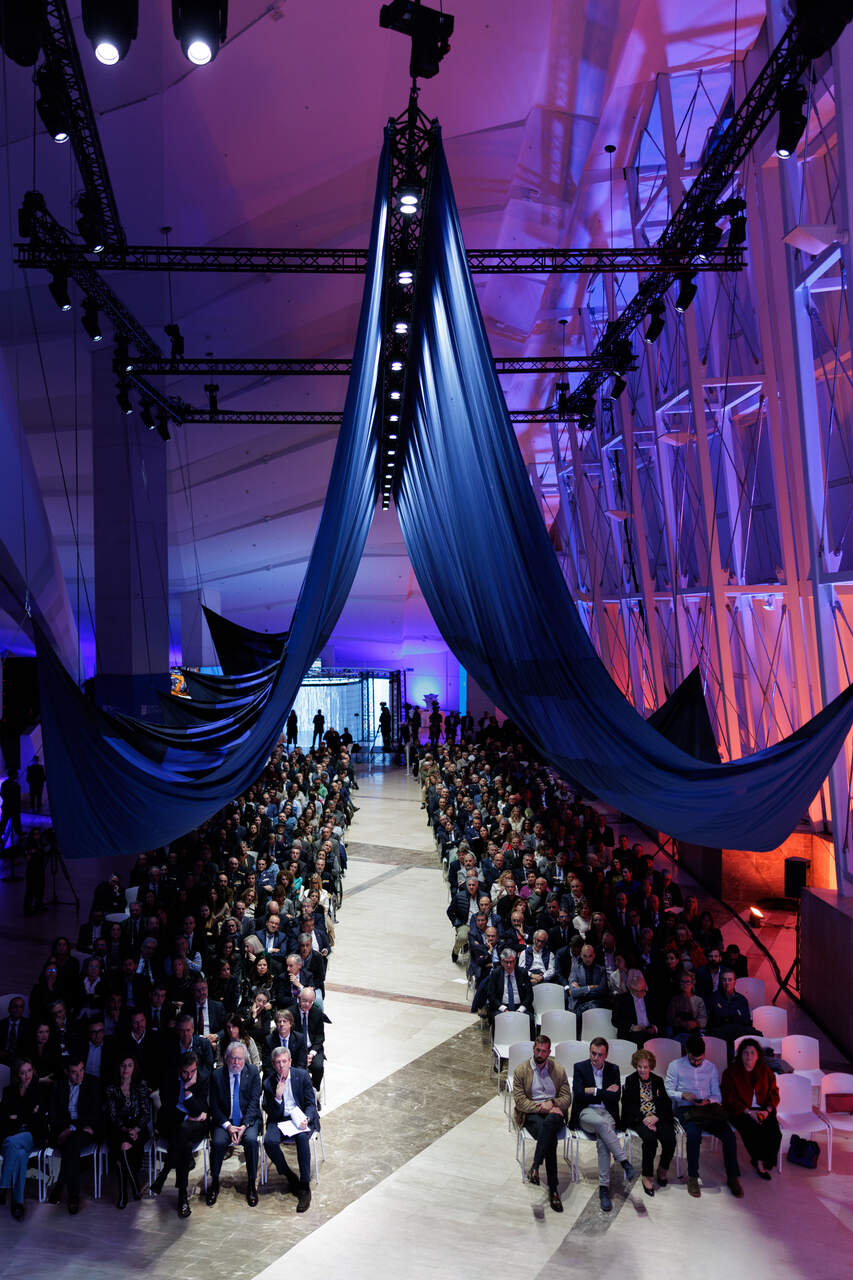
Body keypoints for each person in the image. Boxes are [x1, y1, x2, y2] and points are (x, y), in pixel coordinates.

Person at [665, 1033, 743, 1198]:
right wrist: (683, 1095)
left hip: (707, 1109)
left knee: (729, 1135)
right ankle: (693, 1177)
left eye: (700, 1059)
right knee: (693, 1135)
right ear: (687, 1052)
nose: (697, 1062)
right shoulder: (675, 1066)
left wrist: (708, 1100)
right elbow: (668, 1090)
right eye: (693, 1059)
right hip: (686, 1108)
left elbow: (718, 1095)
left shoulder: (711, 1067)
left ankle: (732, 1177)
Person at [570, 1038, 634, 1212]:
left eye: (600, 1055)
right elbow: (579, 1095)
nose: (595, 1058)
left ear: (606, 1055)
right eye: (593, 1053)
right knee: (601, 1123)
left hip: (607, 1113)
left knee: (603, 1141)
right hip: (586, 1113)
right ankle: (624, 1162)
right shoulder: (580, 1067)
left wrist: (594, 1091)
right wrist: (604, 1093)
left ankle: (604, 1189)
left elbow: (615, 1097)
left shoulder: (613, 1069)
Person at [512, 1034, 570, 1212]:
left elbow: (567, 1097)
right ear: (533, 1048)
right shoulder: (521, 1071)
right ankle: (554, 1190)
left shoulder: (558, 1070)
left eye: (544, 1051)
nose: (540, 1053)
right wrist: (541, 1107)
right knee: (551, 1140)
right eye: (538, 1050)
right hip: (533, 1114)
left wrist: (552, 1103)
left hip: (554, 1113)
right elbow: (520, 1101)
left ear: (549, 1052)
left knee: (552, 1122)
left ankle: (536, 1166)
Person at [151, 1051, 210, 1218]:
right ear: (179, 1069)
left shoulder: (203, 1077)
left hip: (196, 1127)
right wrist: (186, 1116)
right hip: (172, 1124)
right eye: (185, 1072)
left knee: (183, 1133)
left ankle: (164, 1173)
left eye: (192, 1071)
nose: (189, 1075)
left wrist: (187, 1091)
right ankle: (182, 1195)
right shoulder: (169, 1077)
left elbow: (200, 1108)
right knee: (183, 1141)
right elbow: (167, 1108)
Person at [262, 1046, 318, 1212]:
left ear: (290, 1061)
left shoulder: (301, 1076)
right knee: (269, 1141)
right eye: (278, 1062)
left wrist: (306, 1118)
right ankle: (288, 1174)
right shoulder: (268, 1082)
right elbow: (270, 1111)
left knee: (302, 1138)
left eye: (284, 1061)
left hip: (300, 1117)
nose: (281, 1065)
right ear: (273, 1064)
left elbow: (310, 1103)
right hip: (279, 1120)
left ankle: (305, 1185)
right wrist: (278, 1097)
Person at [207, 1041, 262, 1207]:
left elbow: (254, 1103)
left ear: (244, 1059)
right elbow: (214, 1106)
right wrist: (228, 1126)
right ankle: (214, 1182)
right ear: (226, 1058)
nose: (236, 1062)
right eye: (233, 1059)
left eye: (240, 1059)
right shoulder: (217, 1075)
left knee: (251, 1141)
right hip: (225, 1121)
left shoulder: (252, 1072)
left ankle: (252, 1184)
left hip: (248, 1121)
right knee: (217, 1142)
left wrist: (244, 1126)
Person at [47, 1055, 102, 1212]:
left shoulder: (92, 1083)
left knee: (72, 1144)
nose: (79, 1075)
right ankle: (72, 1196)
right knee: (72, 1147)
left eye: (81, 1070)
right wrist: (64, 1129)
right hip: (63, 1130)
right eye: (74, 1072)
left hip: (83, 1130)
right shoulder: (59, 1086)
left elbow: (94, 1113)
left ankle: (64, 1186)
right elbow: (53, 1115)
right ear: (66, 1072)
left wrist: (72, 1128)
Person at [722, 1037, 782, 1179]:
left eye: (752, 1053)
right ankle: (759, 1162)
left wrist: (766, 1111)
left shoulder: (766, 1072)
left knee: (775, 1133)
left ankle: (767, 1158)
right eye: (745, 1053)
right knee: (752, 1131)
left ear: (758, 1056)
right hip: (740, 1111)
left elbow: (774, 1093)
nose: (749, 1056)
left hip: (763, 1109)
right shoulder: (731, 1072)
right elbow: (729, 1098)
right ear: (740, 1055)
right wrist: (748, 1112)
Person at [620, 1048, 676, 1196]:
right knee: (650, 1140)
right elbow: (627, 1105)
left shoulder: (658, 1080)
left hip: (657, 1117)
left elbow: (665, 1103)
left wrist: (656, 1117)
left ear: (650, 1066)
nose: (642, 1070)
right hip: (640, 1118)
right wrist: (643, 1118)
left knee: (669, 1138)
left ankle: (663, 1169)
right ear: (635, 1066)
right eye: (639, 1066)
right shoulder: (631, 1080)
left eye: (645, 1067)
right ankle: (647, 1175)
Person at [0, 1056, 45, 1220]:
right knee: (18, 1153)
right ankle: (17, 1202)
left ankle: (3, 1186)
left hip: (30, 1135)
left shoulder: (39, 1091)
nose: (27, 1076)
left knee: (13, 1142)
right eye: (22, 1073)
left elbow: (37, 1120)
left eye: (29, 1071)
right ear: (16, 1074)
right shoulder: (8, 1091)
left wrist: (16, 1117)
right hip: (10, 1136)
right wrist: (25, 1116)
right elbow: (3, 1118)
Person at [105, 1053, 150, 1207]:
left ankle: (124, 1193)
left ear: (134, 1067)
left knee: (121, 1154)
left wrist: (136, 1129)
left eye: (129, 1065)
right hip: (118, 1128)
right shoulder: (112, 1087)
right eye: (123, 1065)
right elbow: (113, 1115)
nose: (126, 1069)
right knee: (122, 1147)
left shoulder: (141, 1085)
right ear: (118, 1067)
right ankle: (134, 1186)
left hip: (139, 1128)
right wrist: (125, 1129)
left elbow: (146, 1114)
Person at [612, 970, 660, 1045]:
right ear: (630, 989)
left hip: (650, 1030)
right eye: (637, 991)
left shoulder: (651, 997)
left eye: (642, 990)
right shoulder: (622, 999)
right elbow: (615, 1020)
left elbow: (660, 1016)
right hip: (632, 1033)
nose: (640, 993)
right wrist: (631, 1027)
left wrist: (655, 1027)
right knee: (637, 1039)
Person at [0, 772, 22, 845]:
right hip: (14, 806)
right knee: (16, 820)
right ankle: (18, 833)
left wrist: (6, 800)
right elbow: (17, 798)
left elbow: (2, 793)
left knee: (4, 821)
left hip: (6, 805)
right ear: (13, 775)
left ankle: (1, 833)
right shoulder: (16, 785)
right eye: (15, 774)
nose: (17, 776)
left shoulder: (4, 784)